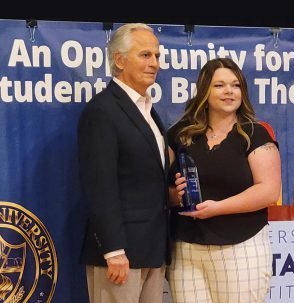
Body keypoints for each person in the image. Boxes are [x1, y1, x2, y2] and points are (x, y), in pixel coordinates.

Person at [166, 58, 281, 303]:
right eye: (219, 85)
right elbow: (161, 189)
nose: (229, 91)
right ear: (204, 90)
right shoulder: (180, 134)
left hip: (240, 247)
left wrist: (218, 208)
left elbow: (269, 191)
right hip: (186, 250)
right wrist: (176, 196)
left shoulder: (254, 134)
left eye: (235, 85)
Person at [78, 23, 170, 303]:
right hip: (120, 258)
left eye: (156, 56)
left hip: (152, 251)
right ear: (119, 60)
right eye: (145, 55)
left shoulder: (148, 111)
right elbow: (100, 185)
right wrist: (113, 250)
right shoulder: (102, 111)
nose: (154, 63)